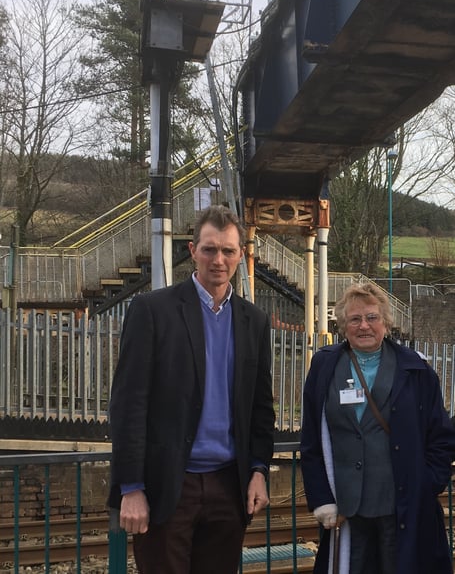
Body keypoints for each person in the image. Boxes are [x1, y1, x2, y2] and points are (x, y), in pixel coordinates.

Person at [109, 204, 275, 574]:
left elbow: (260, 408)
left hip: (229, 488)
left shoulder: (254, 322)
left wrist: (259, 470)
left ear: (241, 255)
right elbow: (128, 404)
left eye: (228, 251)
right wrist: (131, 487)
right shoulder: (153, 310)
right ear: (192, 251)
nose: (219, 259)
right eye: (210, 249)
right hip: (167, 486)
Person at [300, 281, 455, 574]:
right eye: (355, 319)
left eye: (372, 317)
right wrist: (322, 499)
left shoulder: (416, 369)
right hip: (346, 509)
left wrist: (426, 483)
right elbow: (311, 440)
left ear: (386, 322)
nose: (364, 326)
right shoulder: (324, 366)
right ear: (343, 325)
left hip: (402, 504)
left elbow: (441, 437)